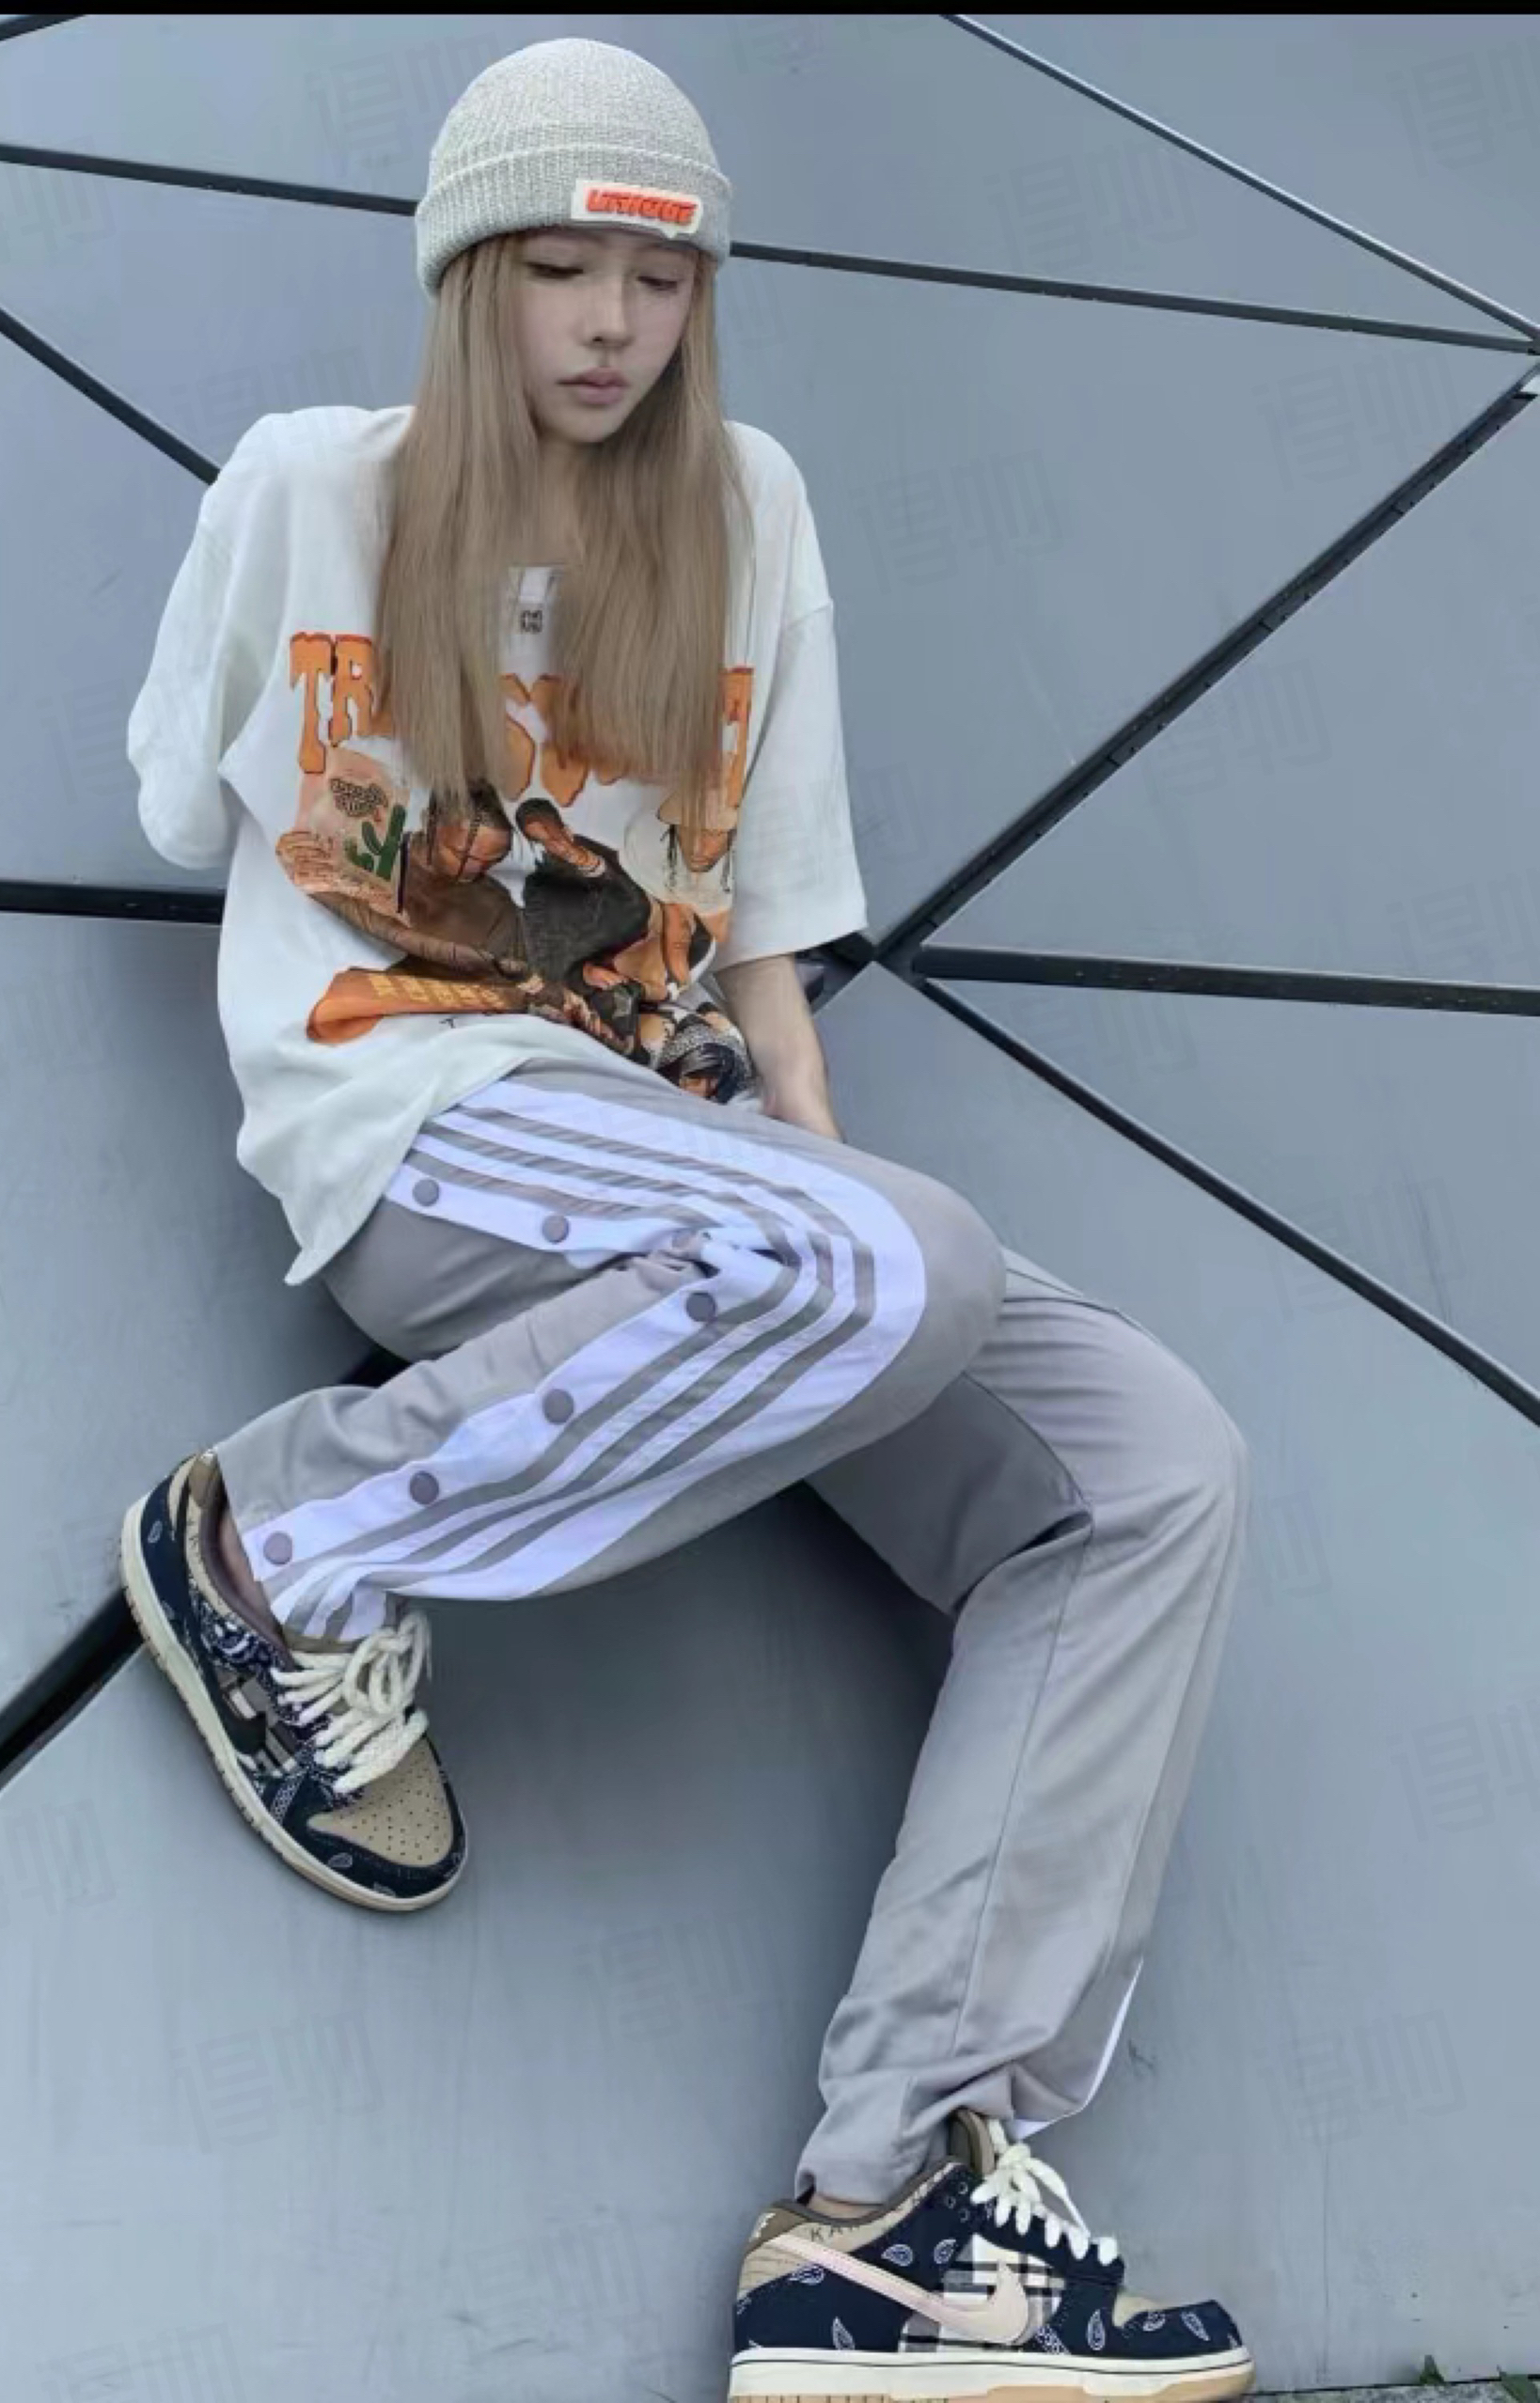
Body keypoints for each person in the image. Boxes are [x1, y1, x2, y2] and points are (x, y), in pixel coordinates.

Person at [122, 38, 1255, 2403]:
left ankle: (889, 2206)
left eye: (656, 279)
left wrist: (828, 1181)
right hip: (416, 1113)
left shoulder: (749, 510)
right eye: (557, 269)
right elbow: (170, 806)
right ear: (468, 277)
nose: (611, 323)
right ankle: (278, 1550)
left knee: (1148, 1463)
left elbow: (763, 934)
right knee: (879, 1259)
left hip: (694, 1164)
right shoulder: (311, 488)